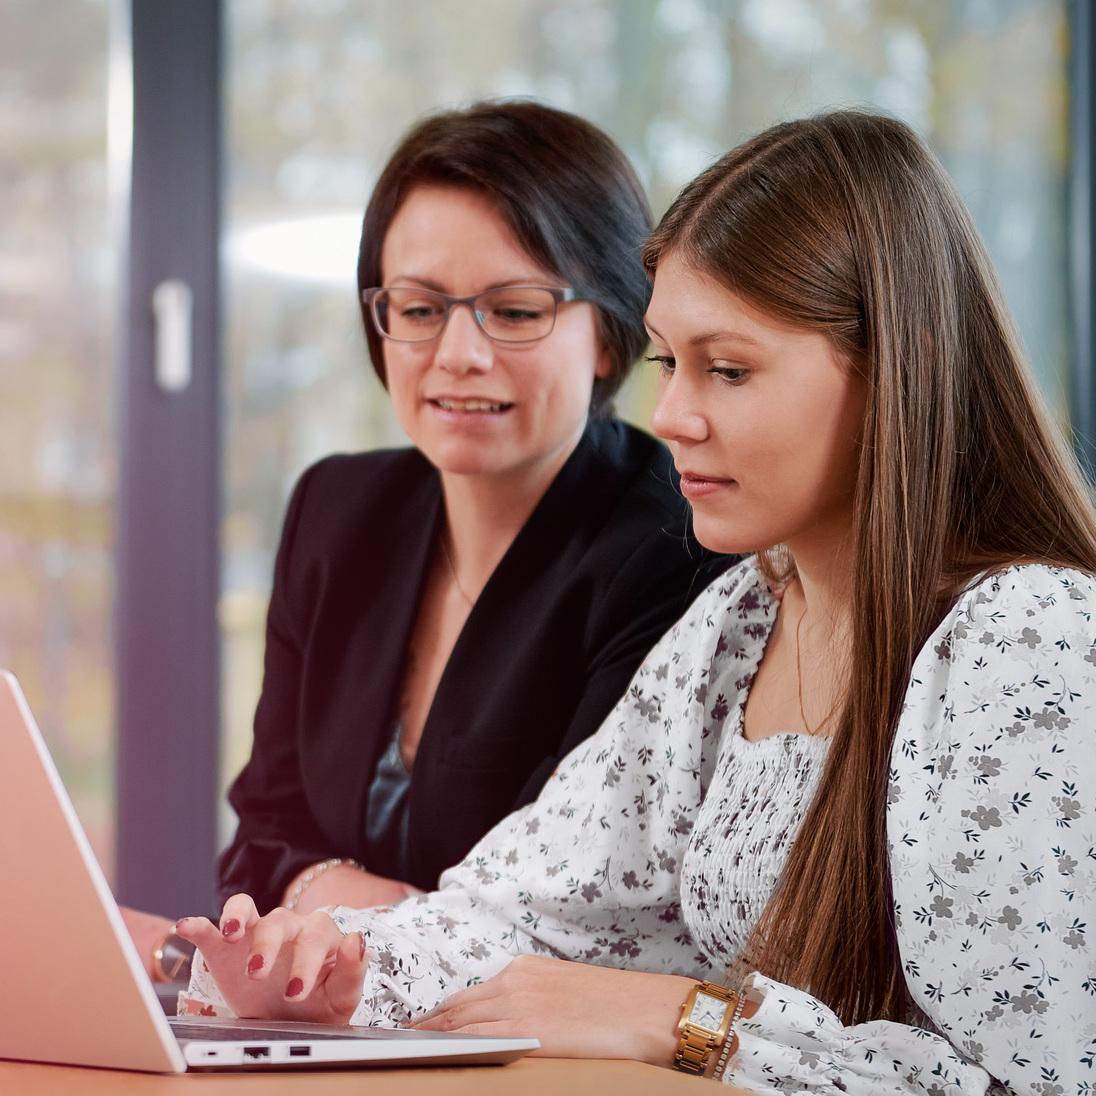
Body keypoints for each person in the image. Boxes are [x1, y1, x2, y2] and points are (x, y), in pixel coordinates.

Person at [176, 110, 1096, 1093]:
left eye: (728, 369)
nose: (671, 417)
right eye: (671, 361)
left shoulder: (1021, 641)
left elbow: (1031, 1082)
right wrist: (339, 968)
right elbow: (520, 907)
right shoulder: (740, 621)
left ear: (897, 361)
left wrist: (683, 1018)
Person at [124, 101, 730, 979]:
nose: (456, 355)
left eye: (514, 311)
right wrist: (338, 902)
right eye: (419, 307)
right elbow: (260, 841)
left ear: (609, 333)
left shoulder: (669, 553)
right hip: (330, 1029)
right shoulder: (338, 511)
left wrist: (326, 905)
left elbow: (562, 914)